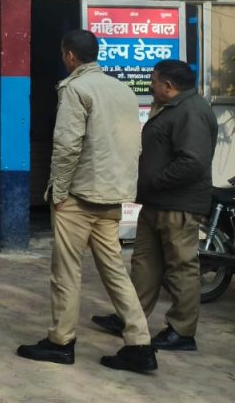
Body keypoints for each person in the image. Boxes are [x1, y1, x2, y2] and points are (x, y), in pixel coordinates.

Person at [17, 30, 156, 372]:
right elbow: (133, 143)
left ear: (69, 56)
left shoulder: (76, 89)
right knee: (115, 271)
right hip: (114, 195)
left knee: (66, 270)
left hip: (79, 197)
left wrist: (59, 191)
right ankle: (140, 343)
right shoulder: (122, 90)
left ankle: (61, 341)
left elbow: (67, 145)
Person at [91, 59, 217, 352]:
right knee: (144, 264)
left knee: (181, 268)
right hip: (155, 203)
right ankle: (131, 318)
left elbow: (192, 162)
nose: (151, 86)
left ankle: (182, 331)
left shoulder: (191, 111)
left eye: (154, 81)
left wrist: (154, 181)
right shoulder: (172, 107)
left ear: (168, 85)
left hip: (178, 205)